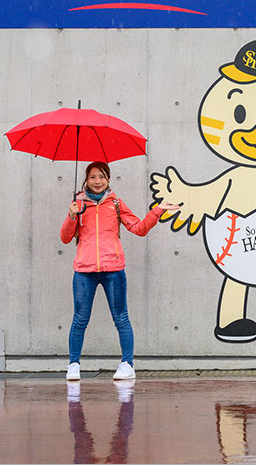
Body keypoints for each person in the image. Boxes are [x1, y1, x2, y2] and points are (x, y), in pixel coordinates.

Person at [60, 161, 179, 381]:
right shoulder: (77, 205)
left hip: (113, 270)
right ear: (86, 180)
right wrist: (71, 216)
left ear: (108, 179)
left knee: (121, 318)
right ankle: (74, 365)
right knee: (79, 319)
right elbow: (66, 238)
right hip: (84, 271)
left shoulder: (115, 203)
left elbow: (139, 228)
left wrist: (158, 210)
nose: (98, 181)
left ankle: (127, 364)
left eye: (102, 177)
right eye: (93, 177)